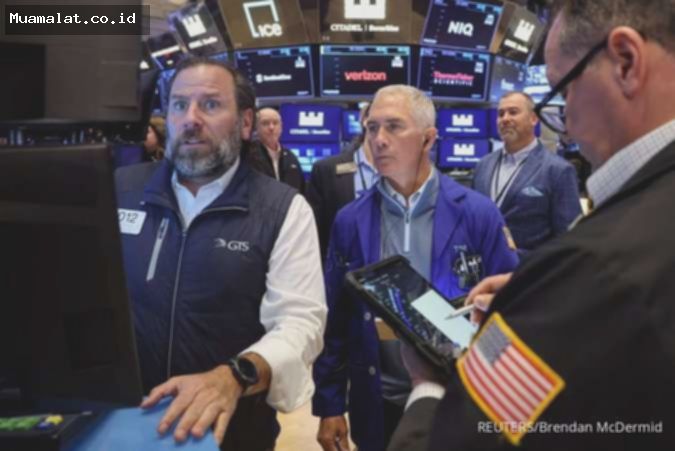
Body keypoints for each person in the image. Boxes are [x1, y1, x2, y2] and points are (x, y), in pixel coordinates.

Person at [390, 0, 675, 449]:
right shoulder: (617, 248)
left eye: (564, 91)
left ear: (626, 61)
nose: (566, 123)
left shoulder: (595, 263)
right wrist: (543, 291)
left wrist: (428, 383)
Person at [115, 57, 327, 451]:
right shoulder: (119, 190)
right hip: (120, 427)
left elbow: (300, 323)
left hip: (232, 433)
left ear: (245, 123)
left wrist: (235, 376)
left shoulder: (283, 209)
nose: (190, 119)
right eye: (179, 105)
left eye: (210, 104)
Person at [312, 85, 519, 451]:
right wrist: (329, 404)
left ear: (428, 138)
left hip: (459, 395)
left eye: (394, 126)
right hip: (377, 397)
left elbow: (512, 310)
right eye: (372, 128)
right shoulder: (350, 220)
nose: (379, 139)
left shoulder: (478, 213)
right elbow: (336, 319)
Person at [473, 91, 581, 255]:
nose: (505, 119)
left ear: (533, 119)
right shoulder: (483, 165)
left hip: (529, 268)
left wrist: (518, 257)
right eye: (501, 114)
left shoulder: (558, 170)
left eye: (513, 112)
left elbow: (568, 240)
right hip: (482, 266)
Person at [306, 103, 378, 261]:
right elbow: (314, 233)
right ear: (365, 120)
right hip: (342, 268)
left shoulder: (403, 171)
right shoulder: (326, 170)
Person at [248, 107, 305, 192]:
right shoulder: (248, 156)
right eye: (265, 123)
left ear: (281, 127)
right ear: (256, 128)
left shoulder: (291, 158)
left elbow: (301, 191)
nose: (271, 127)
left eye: (275, 123)